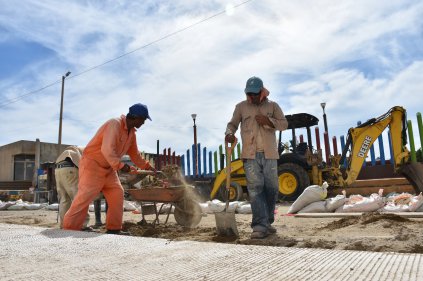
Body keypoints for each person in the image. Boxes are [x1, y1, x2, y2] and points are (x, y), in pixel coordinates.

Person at [63, 103, 155, 234]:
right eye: (143, 119)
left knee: (117, 193)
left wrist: (148, 166)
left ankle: (114, 229)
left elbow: (135, 155)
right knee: (84, 198)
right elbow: (107, 150)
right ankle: (69, 228)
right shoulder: (114, 124)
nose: (144, 122)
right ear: (136, 117)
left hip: (109, 168)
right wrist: (122, 166)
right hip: (93, 165)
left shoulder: (131, 134)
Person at [225, 76, 288, 239]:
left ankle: (267, 221)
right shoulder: (241, 107)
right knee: (255, 189)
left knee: (272, 188)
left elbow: (284, 124)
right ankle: (259, 225)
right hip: (250, 156)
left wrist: (268, 120)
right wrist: (229, 134)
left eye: (254, 94)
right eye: (249, 94)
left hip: (270, 155)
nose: (251, 97)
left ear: (261, 92)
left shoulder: (273, 106)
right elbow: (232, 124)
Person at [55, 146, 105, 229]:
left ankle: (64, 225)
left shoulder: (78, 149)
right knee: (80, 198)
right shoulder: (92, 152)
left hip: (58, 169)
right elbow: (90, 168)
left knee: (64, 199)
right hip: (71, 167)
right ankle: (82, 225)